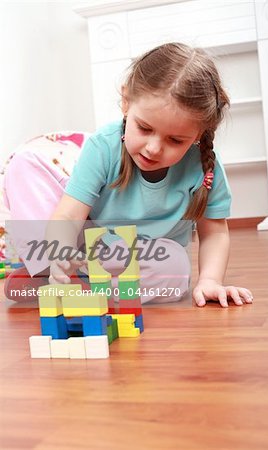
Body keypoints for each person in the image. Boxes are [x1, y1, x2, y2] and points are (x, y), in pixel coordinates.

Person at [4, 42, 253, 307]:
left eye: (175, 140)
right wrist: (61, 253)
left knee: (175, 268)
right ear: (125, 102)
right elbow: (68, 214)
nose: (154, 148)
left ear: (199, 134)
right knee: (24, 165)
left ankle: (75, 289)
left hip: (148, 256)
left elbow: (214, 232)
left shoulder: (205, 167)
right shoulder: (103, 146)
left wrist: (210, 281)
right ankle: (55, 273)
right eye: (144, 128)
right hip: (90, 246)